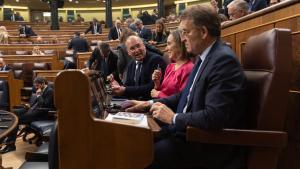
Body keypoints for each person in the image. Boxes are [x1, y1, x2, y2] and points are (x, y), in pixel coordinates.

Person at [125, 5, 247, 169]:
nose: (182, 39)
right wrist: (150, 104)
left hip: (204, 146)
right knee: (133, 139)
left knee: (139, 154)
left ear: (203, 32)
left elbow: (215, 116)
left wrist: (173, 118)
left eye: (185, 32)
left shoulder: (223, 60)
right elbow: (184, 95)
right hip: (186, 135)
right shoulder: (204, 57)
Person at [0, 77, 55, 154]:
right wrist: (28, 105)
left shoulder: (49, 91)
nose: (36, 87)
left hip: (41, 113)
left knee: (16, 120)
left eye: (37, 85)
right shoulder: (39, 89)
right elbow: (35, 103)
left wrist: (38, 95)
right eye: (35, 85)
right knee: (13, 113)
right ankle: (3, 137)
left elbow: (43, 105)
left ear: (43, 83)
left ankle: (10, 145)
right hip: (32, 110)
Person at [110, 35, 167, 100]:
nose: (136, 50)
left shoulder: (156, 60)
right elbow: (128, 86)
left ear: (144, 45)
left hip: (150, 103)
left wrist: (125, 89)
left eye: (138, 46)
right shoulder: (131, 64)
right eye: (132, 48)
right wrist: (118, 87)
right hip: (135, 102)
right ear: (128, 52)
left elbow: (151, 87)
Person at [151, 30, 194, 99]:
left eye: (169, 44)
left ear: (179, 44)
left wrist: (159, 94)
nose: (166, 48)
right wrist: (157, 84)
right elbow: (163, 92)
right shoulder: (170, 67)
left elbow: (183, 98)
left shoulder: (188, 68)